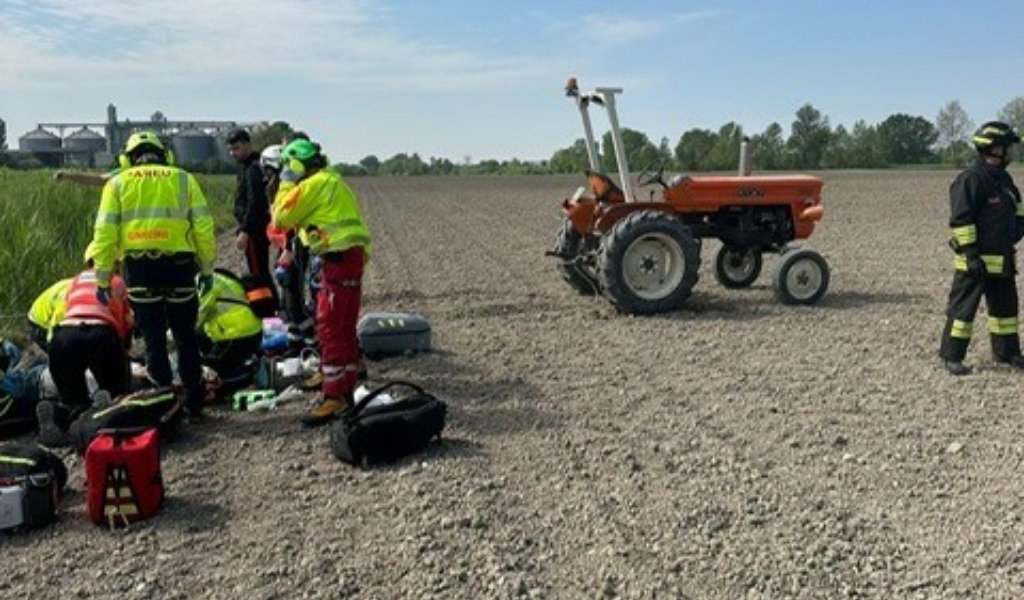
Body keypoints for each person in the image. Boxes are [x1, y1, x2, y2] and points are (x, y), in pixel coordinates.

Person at [89, 130, 217, 420]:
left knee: (154, 341)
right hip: (180, 268)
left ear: (127, 158)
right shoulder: (184, 178)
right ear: (165, 155)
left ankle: (164, 406)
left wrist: (102, 277)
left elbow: (104, 233)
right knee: (186, 338)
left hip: (140, 269)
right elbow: (204, 228)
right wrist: (207, 268)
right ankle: (195, 403)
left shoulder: (117, 183)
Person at [271, 138, 372, 426]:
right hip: (350, 258)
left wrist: (287, 183)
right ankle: (347, 387)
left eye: (289, 166)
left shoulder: (312, 185)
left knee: (328, 327)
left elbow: (281, 217)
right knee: (343, 327)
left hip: (337, 261)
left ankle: (333, 396)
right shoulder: (334, 181)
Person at [940, 121, 1024, 375]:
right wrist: (971, 255)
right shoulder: (971, 179)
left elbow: (1017, 209)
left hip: (1002, 260)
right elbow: (961, 220)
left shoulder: (1004, 180)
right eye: (1008, 147)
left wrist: (1017, 229)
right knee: (962, 312)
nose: (1011, 152)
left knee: (1006, 312)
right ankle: (951, 356)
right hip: (974, 264)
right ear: (995, 149)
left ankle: (1007, 353)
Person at [36, 258, 134, 447]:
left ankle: (60, 418)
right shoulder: (117, 282)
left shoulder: (75, 281)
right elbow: (127, 324)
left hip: (63, 337)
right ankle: (104, 414)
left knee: (73, 401)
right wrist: (124, 354)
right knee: (117, 395)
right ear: (115, 265)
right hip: (100, 334)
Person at [226, 128, 277, 307]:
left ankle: (269, 310)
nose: (233, 153)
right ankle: (272, 307)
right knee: (259, 270)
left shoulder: (254, 168)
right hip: (253, 228)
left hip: (255, 230)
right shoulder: (246, 167)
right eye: (231, 150)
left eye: (237, 148)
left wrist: (245, 231)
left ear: (248, 145)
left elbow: (256, 203)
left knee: (258, 273)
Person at [196, 270, 264, 394]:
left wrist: (161, 344)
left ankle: (252, 372)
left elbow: (194, 319)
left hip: (237, 336)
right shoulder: (216, 276)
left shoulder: (206, 283)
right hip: (248, 333)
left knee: (209, 375)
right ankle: (249, 364)